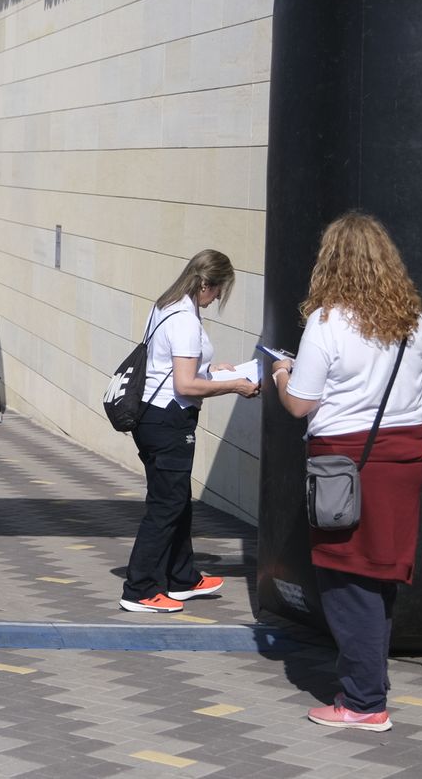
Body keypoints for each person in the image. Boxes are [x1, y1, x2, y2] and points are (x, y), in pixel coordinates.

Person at [271, 213, 422, 732]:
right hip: (404, 458)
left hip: (345, 461)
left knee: (347, 580)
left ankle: (363, 703)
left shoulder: (328, 322)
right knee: (380, 575)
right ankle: (368, 689)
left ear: (330, 261)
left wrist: (280, 374)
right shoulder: (413, 320)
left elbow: (301, 404)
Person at [119, 249, 259, 614]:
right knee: (165, 506)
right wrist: (234, 386)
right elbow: (184, 384)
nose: (215, 301)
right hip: (168, 421)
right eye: (217, 292)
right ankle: (139, 589)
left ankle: (181, 578)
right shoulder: (184, 319)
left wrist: (215, 369)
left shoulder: (167, 304)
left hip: (154, 416)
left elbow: (175, 366)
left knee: (176, 500)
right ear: (205, 284)